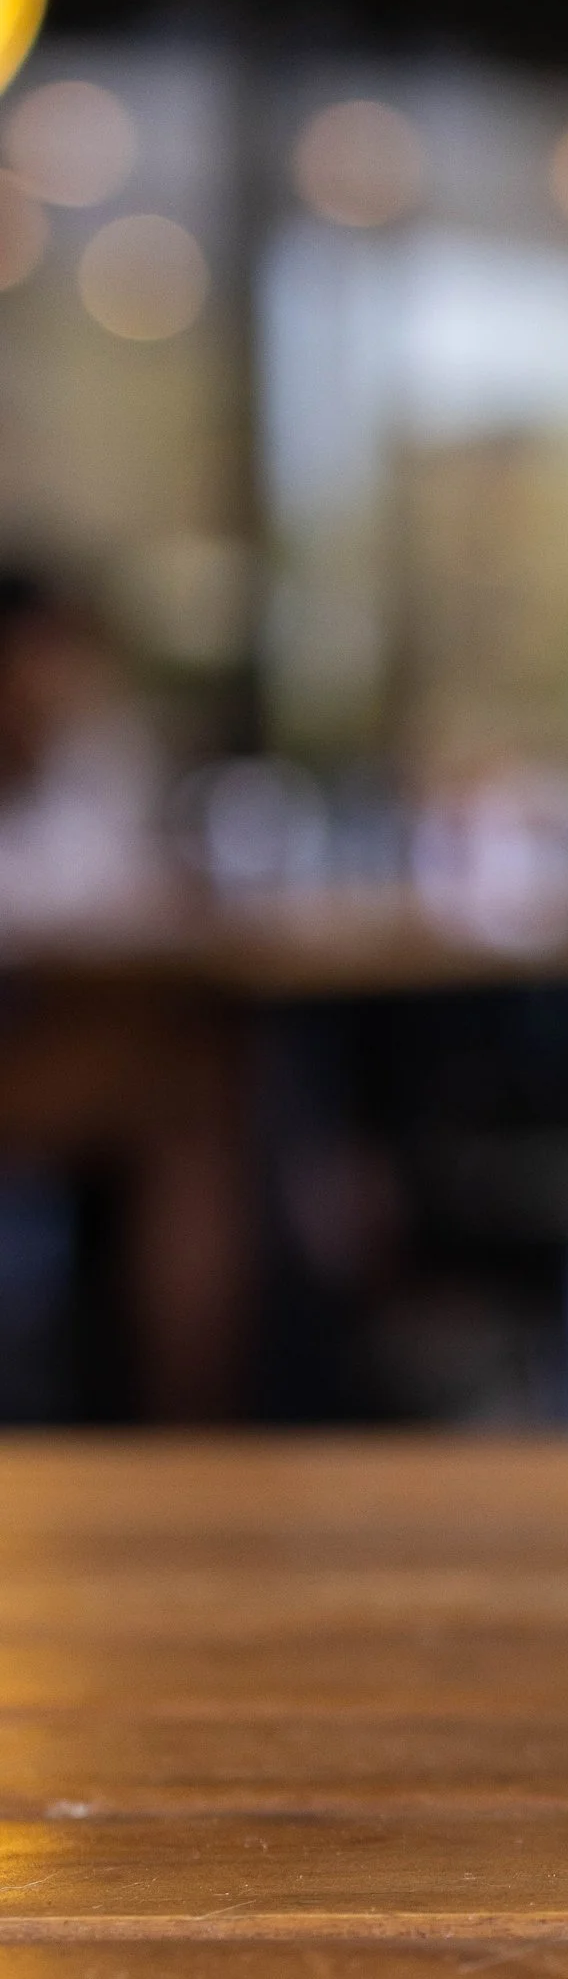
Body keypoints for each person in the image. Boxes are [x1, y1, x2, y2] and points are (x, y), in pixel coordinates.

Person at [0, 568, 249, 1418]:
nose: (63, 688)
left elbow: (145, 891)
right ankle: (190, 1429)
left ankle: (186, 1418)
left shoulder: (88, 764)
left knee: (200, 1085)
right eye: (42, 663)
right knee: (188, 1107)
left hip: (61, 1035)